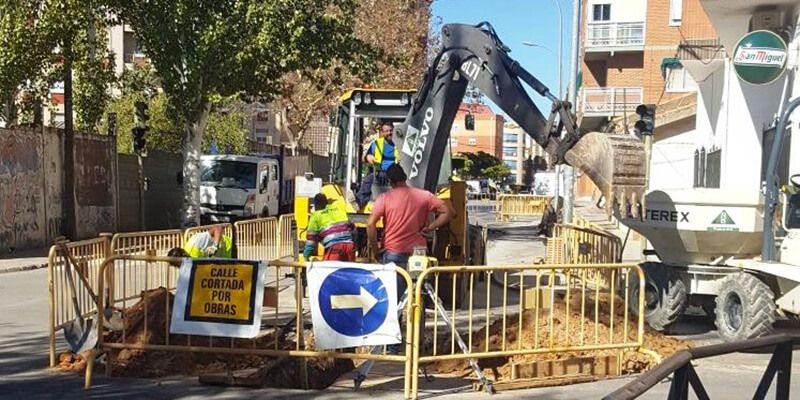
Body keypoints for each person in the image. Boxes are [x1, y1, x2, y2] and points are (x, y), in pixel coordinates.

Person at [367, 164, 456, 293]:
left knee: (394, 294)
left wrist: (376, 250)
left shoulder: (385, 198)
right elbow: (448, 212)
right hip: (418, 252)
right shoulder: (424, 196)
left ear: (390, 181)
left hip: (393, 251)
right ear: (405, 177)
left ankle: (401, 313)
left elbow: (370, 224)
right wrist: (430, 227)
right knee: (418, 292)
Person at [357, 120, 398, 208]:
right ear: (382, 132)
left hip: (396, 173)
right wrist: (368, 157)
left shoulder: (399, 144)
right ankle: (360, 202)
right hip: (379, 172)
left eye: (391, 130)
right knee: (368, 180)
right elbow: (364, 158)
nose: (389, 133)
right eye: (386, 131)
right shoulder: (376, 144)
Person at [303, 193, 356, 261]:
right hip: (349, 246)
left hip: (334, 247)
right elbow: (353, 229)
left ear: (315, 205)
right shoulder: (338, 210)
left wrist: (306, 256)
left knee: (330, 270)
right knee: (348, 271)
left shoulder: (316, 216)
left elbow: (311, 240)